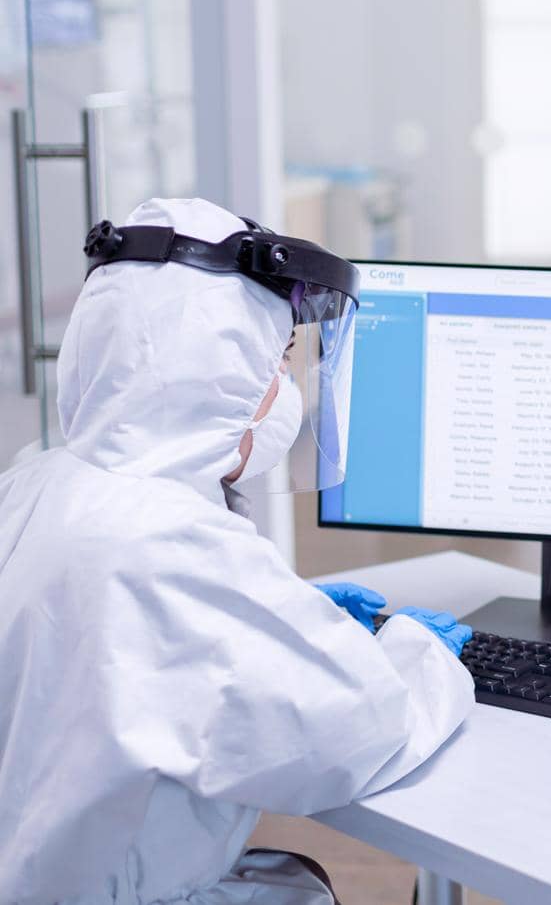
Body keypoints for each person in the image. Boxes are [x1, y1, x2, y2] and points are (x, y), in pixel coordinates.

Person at [0, 198, 475, 903]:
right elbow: (362, 730)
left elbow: (120, 660)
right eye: (277, 359)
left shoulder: (34, 480)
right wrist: (415, 653)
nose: (281, 388)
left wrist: (287, 615)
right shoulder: (171, 543)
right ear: (215, 371)